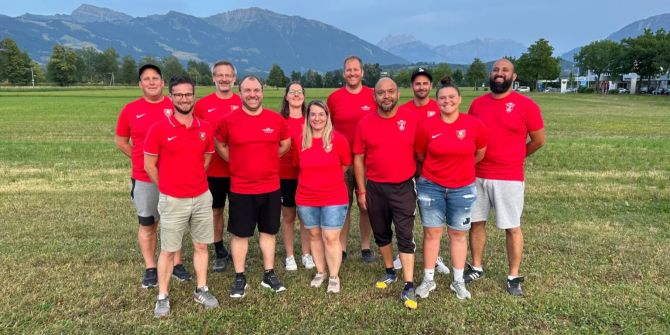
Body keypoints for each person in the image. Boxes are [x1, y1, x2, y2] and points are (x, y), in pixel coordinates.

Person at [464, 58, 546, 296]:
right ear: (491, 74)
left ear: (514, 76)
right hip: (477, 174)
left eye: (505, 70)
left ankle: (513, 276)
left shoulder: (526, 105)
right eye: (496, 70)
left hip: (508, 177)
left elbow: (538, 140)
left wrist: (518, 156)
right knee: (476, 223)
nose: (499, 73)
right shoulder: (478, 104)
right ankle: (476, 267)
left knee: (511, 226)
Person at [144, 75, 219, 317]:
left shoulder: (204, 128)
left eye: (188, 94)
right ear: (172, 97)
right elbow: (149, 165)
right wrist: (167, 186)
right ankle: (163, 296)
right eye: (179, 95)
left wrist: (193, 179)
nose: (184, 99)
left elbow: (207, 158)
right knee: (168, 249)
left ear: (193, 96)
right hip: (173, 199)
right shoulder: (159, 129)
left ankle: (201, 288)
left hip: (201, 196)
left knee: (201, 245)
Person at [115, 64, 191, 289]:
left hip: (174, 177)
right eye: (146, 79)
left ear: (163, 83)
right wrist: (141, 160)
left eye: (155, 78)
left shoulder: (175, 104)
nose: (151, 82)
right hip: (145, 178)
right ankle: (150, 267)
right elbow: (121, 141)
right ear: (140, 84)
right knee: (148, 223)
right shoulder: (130, 109)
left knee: (174, 222)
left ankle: (177, 263)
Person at [215, 75, 291, 298]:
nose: (252, 94)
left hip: (270, 187)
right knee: (240, 234)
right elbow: (220, 144)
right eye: (247, 90)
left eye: (256, 90)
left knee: (268, 232)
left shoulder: (275, 120)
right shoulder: (228, 120)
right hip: (241, 188)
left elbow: (285, 143)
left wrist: (269, 158)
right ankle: (240, 276)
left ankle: (269, 273)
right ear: (240, 92)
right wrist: (237, 161)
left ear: (262, 91)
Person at [414, 76, 488, 300]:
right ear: (436, 101)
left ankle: (458, 281)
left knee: (458, 234)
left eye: (451, 97)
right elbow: (420, 154)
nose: (447, 101)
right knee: (432, 233)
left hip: (462, 187)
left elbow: (480, 152)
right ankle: (428, 279)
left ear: (460, 99)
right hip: (431, 186)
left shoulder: (474, 124)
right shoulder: (427, 125)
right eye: (442, 98)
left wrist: (460, 169)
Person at [353, 77, 420, 309]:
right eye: (381, 93)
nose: (386, 96)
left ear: (398, 94)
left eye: (390, 92)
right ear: (374, 97)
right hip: (375, 187)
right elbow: (359, 158)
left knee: (404, 233)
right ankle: (390, 270)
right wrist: (362, 190)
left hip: (403, 186)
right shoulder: (365, 123)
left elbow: (420, 154)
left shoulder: (412, 120)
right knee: (381, 232)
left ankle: (408, 283)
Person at [393, 67, 450, 275]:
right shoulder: (403, 110)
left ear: (431, 86)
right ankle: (404, 251)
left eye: (425, 83)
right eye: (417, 83)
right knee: (406, 215)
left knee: (433, 218)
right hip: (408, 169)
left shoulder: (440, 107)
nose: (421, 87)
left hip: (433, 171)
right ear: (412, 86)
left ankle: (435, 257)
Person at [294, 100, 351, 293]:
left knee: (331, 237)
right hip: (306, 197)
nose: (317, 118)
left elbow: (345, 164)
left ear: (327, 117)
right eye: (313, 114)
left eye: (321, 114)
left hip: (334, 196)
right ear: (307, 117)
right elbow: (297, 165)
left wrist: (329, 180)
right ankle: (320, 271)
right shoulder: (300, 140)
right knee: (314, 235)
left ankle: (334, 275)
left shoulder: (338, 139)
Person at [193, 60, 242, 272]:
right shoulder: (202, 105)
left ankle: (239, 249)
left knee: (239, 211)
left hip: (239, 169)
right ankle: (219, 249)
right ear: (213, 78)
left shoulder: (243, 101)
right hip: (213, 170)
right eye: (219, 75)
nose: (224, 79)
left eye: (228, 75)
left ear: (234, 79)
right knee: (216, 210)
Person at [326, 55, 377, 263]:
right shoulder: (335, 98)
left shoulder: (373, 95)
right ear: (343, 73)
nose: (352, 73)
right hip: (342, 162)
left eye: (356, 70)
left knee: (366, 205)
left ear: (362, 72)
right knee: (343, 205)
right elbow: (327, 128)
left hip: (367, 160)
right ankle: (343, 247)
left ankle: (365, 247)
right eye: (349, 70)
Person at [279, 82, 314, 271]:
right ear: (286, 97)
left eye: (299, 92)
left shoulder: (311, 119)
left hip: (307, 175)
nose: (295, 95)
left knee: (306, 217)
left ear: (304, 95)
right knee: (289, 216)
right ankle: (290, 255)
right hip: (285, 175)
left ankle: (307, 254)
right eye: (292, 92)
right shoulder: (279, 121)